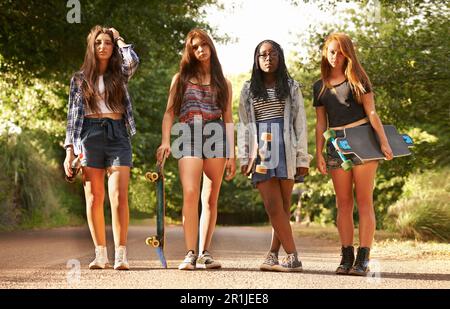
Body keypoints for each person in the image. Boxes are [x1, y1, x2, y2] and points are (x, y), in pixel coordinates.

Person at [313, 32, 393, 276]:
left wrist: (384, 142)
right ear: (325, 53)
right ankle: (346, 256)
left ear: (348, 54)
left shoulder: (358, 79)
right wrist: (318, 153)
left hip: (363, 142)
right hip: (336, 145)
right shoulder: (319, 87)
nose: (335, 56)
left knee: (364, 200)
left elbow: (372, 113)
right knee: (343, 203)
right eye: (332, 51)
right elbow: (320, 124)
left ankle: (363, 258)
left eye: (340, 51)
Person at [157, 28, 236, 270]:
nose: (200, 49)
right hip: (188, 134)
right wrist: (166, 141)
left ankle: (205, 253)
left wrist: (232, 153)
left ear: (211, 46)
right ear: (190, 52)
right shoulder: (180, 79)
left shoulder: (224, 82)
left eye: (204, 44)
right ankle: (190, 253)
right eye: (195, 47)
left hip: (216, 136)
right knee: (191, 191)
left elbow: (229, 118)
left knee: (210, 198)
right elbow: (169, 113)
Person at [63, 25, 139, 270]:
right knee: (94, 197)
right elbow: (73, 117)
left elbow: (133, 60)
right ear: (92, 48)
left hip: (118, 135)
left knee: (118, 196)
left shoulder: (120, 73)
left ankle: (121, 255)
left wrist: (119, 37)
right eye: (98, 43)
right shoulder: (79, 78)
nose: (103, 46)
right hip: (89, 134)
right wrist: (69, 151)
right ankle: (100, 255)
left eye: (107, 42)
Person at [238, 40, 309, 272]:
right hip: (262, 150)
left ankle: (272, 255)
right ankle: (293, 255)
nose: (268, 58)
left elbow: (300, 124)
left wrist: (302, 158)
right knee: (272, 205)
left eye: (273, 54)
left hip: (286, 148)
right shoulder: (248, 89)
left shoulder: (291, 86)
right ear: (257, 60)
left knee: (284, 206)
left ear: (280, 57)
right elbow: (245, 125)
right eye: (263, 55)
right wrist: (244, 156)